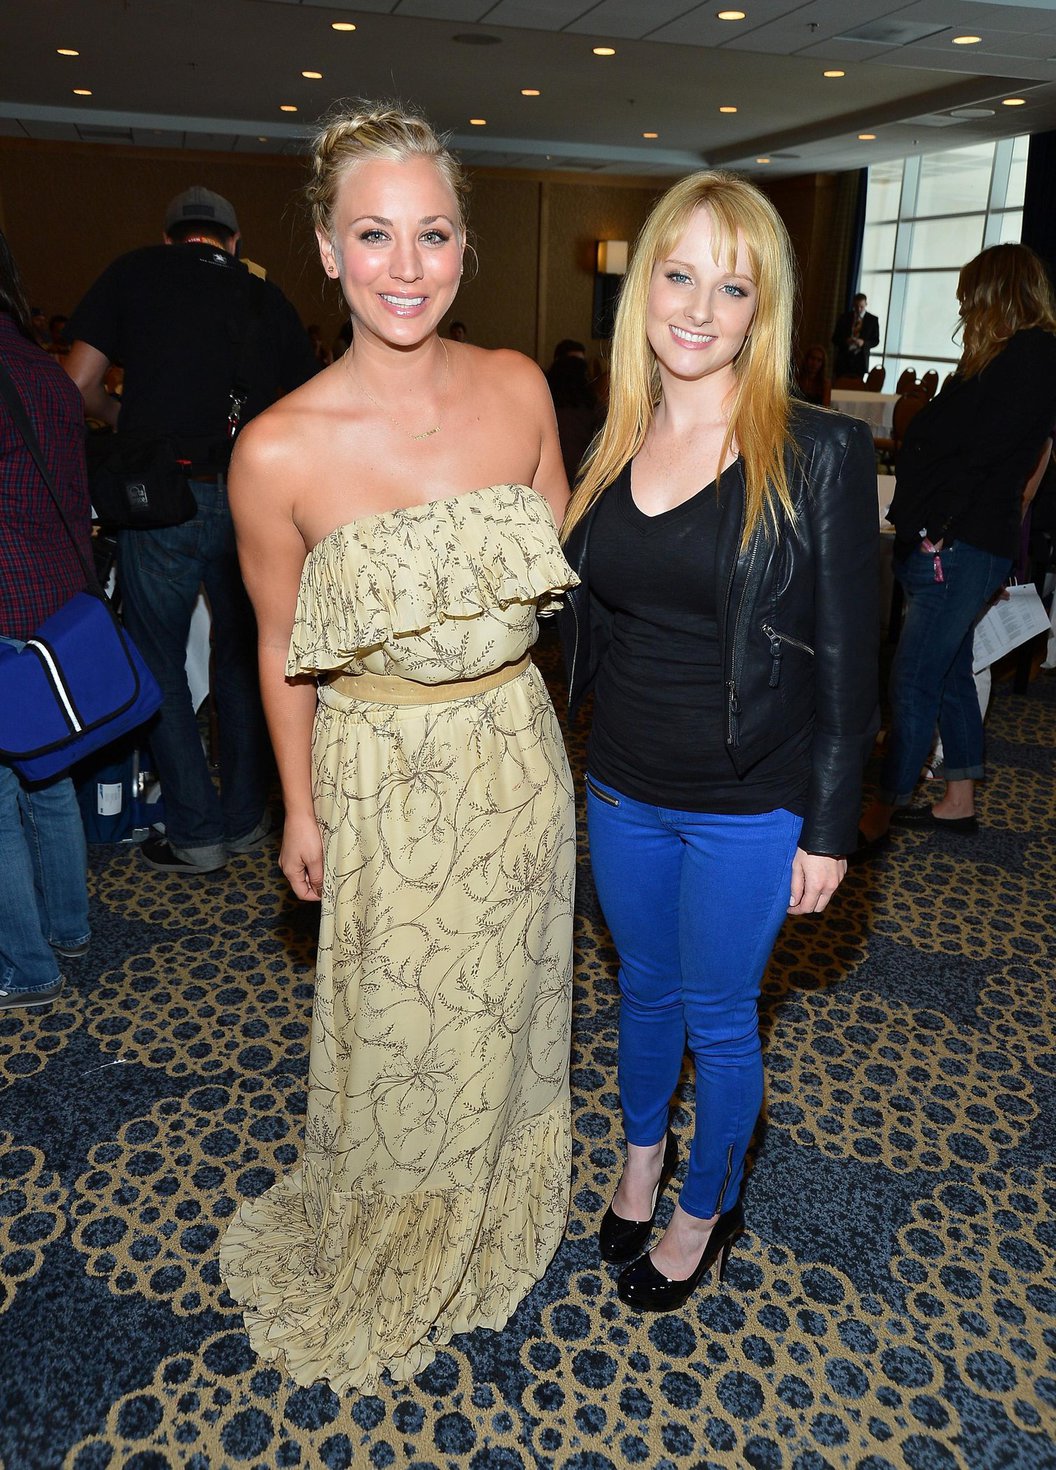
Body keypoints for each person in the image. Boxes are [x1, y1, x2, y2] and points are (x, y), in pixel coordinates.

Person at [218, 102, 577, 1390]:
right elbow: (275, 647)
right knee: (402, 1034)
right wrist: (301, 812)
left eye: (432, 234)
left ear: (465, 245)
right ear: (325, 247)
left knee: (511, 1012)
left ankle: (494, 1203)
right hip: (381, 780)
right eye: (375, 235)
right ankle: (392, 1231)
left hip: (520, 765)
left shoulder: (521, 387)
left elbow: (561, 571)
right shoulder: (276, 451)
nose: (406, 266)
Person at [560, 170, 878, 1312]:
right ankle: (640, 1164)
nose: (697, 307)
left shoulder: (818, 456)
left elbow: (851, 660)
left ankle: (707, 1205)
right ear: (645, 286)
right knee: (641, 992)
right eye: (678, 275)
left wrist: (832, 829)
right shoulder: (613, 435)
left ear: (762, 309)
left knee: (716, 1013)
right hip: (623, 784)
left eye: (729, 286)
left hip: (753, 798)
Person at [64, 185, 318, 873]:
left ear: (173, 236)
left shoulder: (134, 271)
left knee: (159, 660)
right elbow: (310, 410)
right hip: (250, 503)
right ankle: (244, 821)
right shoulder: (268, 297)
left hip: (161, 497)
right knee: (246, 656)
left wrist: (128, 421)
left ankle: (196, 831)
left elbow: (75, 385)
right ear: (233, 243)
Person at [858, 243, 1056, 850]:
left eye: (973, 294)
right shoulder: (1011, 357)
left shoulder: (1028, 356)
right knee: (945, 670)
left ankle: (882, 811)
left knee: (914, 676)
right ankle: (958, 799)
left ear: (1000, 294)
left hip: (961, 541)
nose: (964, 306)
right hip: (965, 538)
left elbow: (986, 454)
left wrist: (939, 524)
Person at [0, 228, 92, 1009]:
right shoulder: (49, 371)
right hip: (52, 607)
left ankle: (26, 968)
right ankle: (68, 928)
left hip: (1, 602)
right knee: (47, 776)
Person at [832, 291, 879, 378]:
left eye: (861, 306)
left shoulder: (872, 320)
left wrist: (863, 343)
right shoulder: (844, 317)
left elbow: (875, 341)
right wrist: (846, 341)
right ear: (853, 304)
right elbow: (835, 338)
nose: (859, 309)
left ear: (866, 304)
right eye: (856, 306)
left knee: (857, 387)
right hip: (844, 359)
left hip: (861, 359)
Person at [795, 342, 831, 407]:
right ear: (806, 359)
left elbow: (825, 408)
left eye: (819, 360)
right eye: (812, 358)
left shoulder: (825, 384)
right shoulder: (796, 379)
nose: (815, 363)